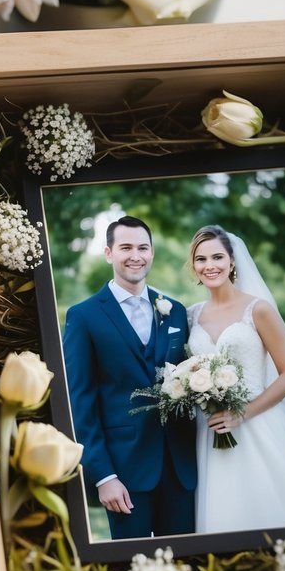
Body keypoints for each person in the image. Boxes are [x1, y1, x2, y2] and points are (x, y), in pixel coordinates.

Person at [186, 225, 285, 534]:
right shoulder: (191, 315)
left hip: (257, 423)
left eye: (217, 257)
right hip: (209, 430)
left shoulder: (258, 310)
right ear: (194, 266)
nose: (210, 266)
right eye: (201, 259)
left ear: (232, 262)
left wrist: (240, 414)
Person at [63, 216, 196, 540]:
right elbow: (79, 402)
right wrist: (103, 475)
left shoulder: (175, 310)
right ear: (109, 253)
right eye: (126, 247)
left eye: (142, 247)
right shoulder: (84, 316)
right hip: (122, 470)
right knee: (133, 567)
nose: (135, 255)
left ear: (151, 253)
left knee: (188, 563)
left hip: (180, 468)